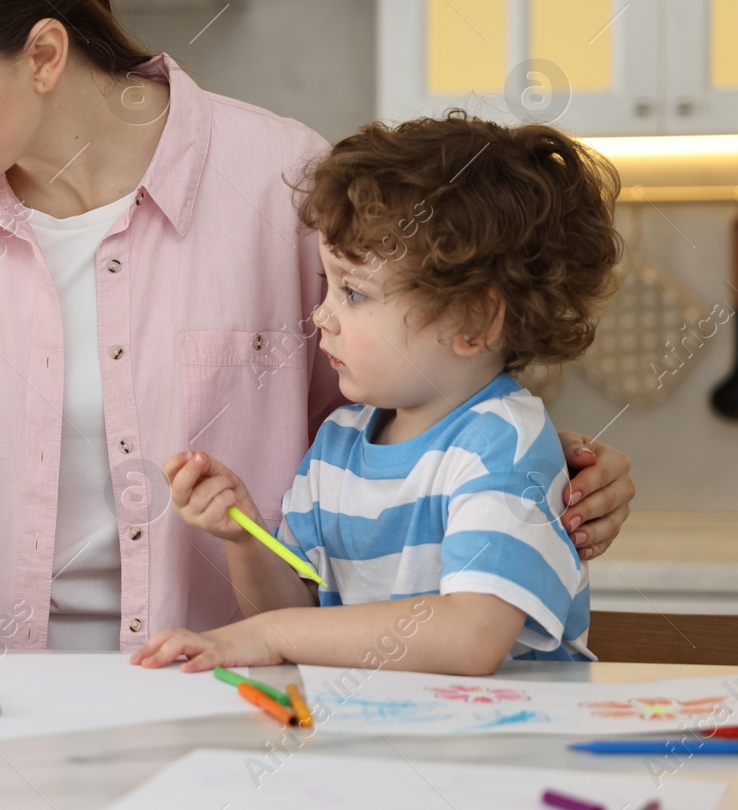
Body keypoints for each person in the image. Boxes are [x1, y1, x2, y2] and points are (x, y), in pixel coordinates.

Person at [0, 0, 636, 656]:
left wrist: (534, 466)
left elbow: (402, 412)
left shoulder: (284, 186)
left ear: (45, 54)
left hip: (242, 699)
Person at [131, 115, 620, 676]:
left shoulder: (505, 445)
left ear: (474, 319)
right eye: (328, 285)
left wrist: (271, 633)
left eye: (354, 294)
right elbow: (296, 616)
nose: (321, 316)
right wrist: (244, 537)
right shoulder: (339, 442)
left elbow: (473, 635)